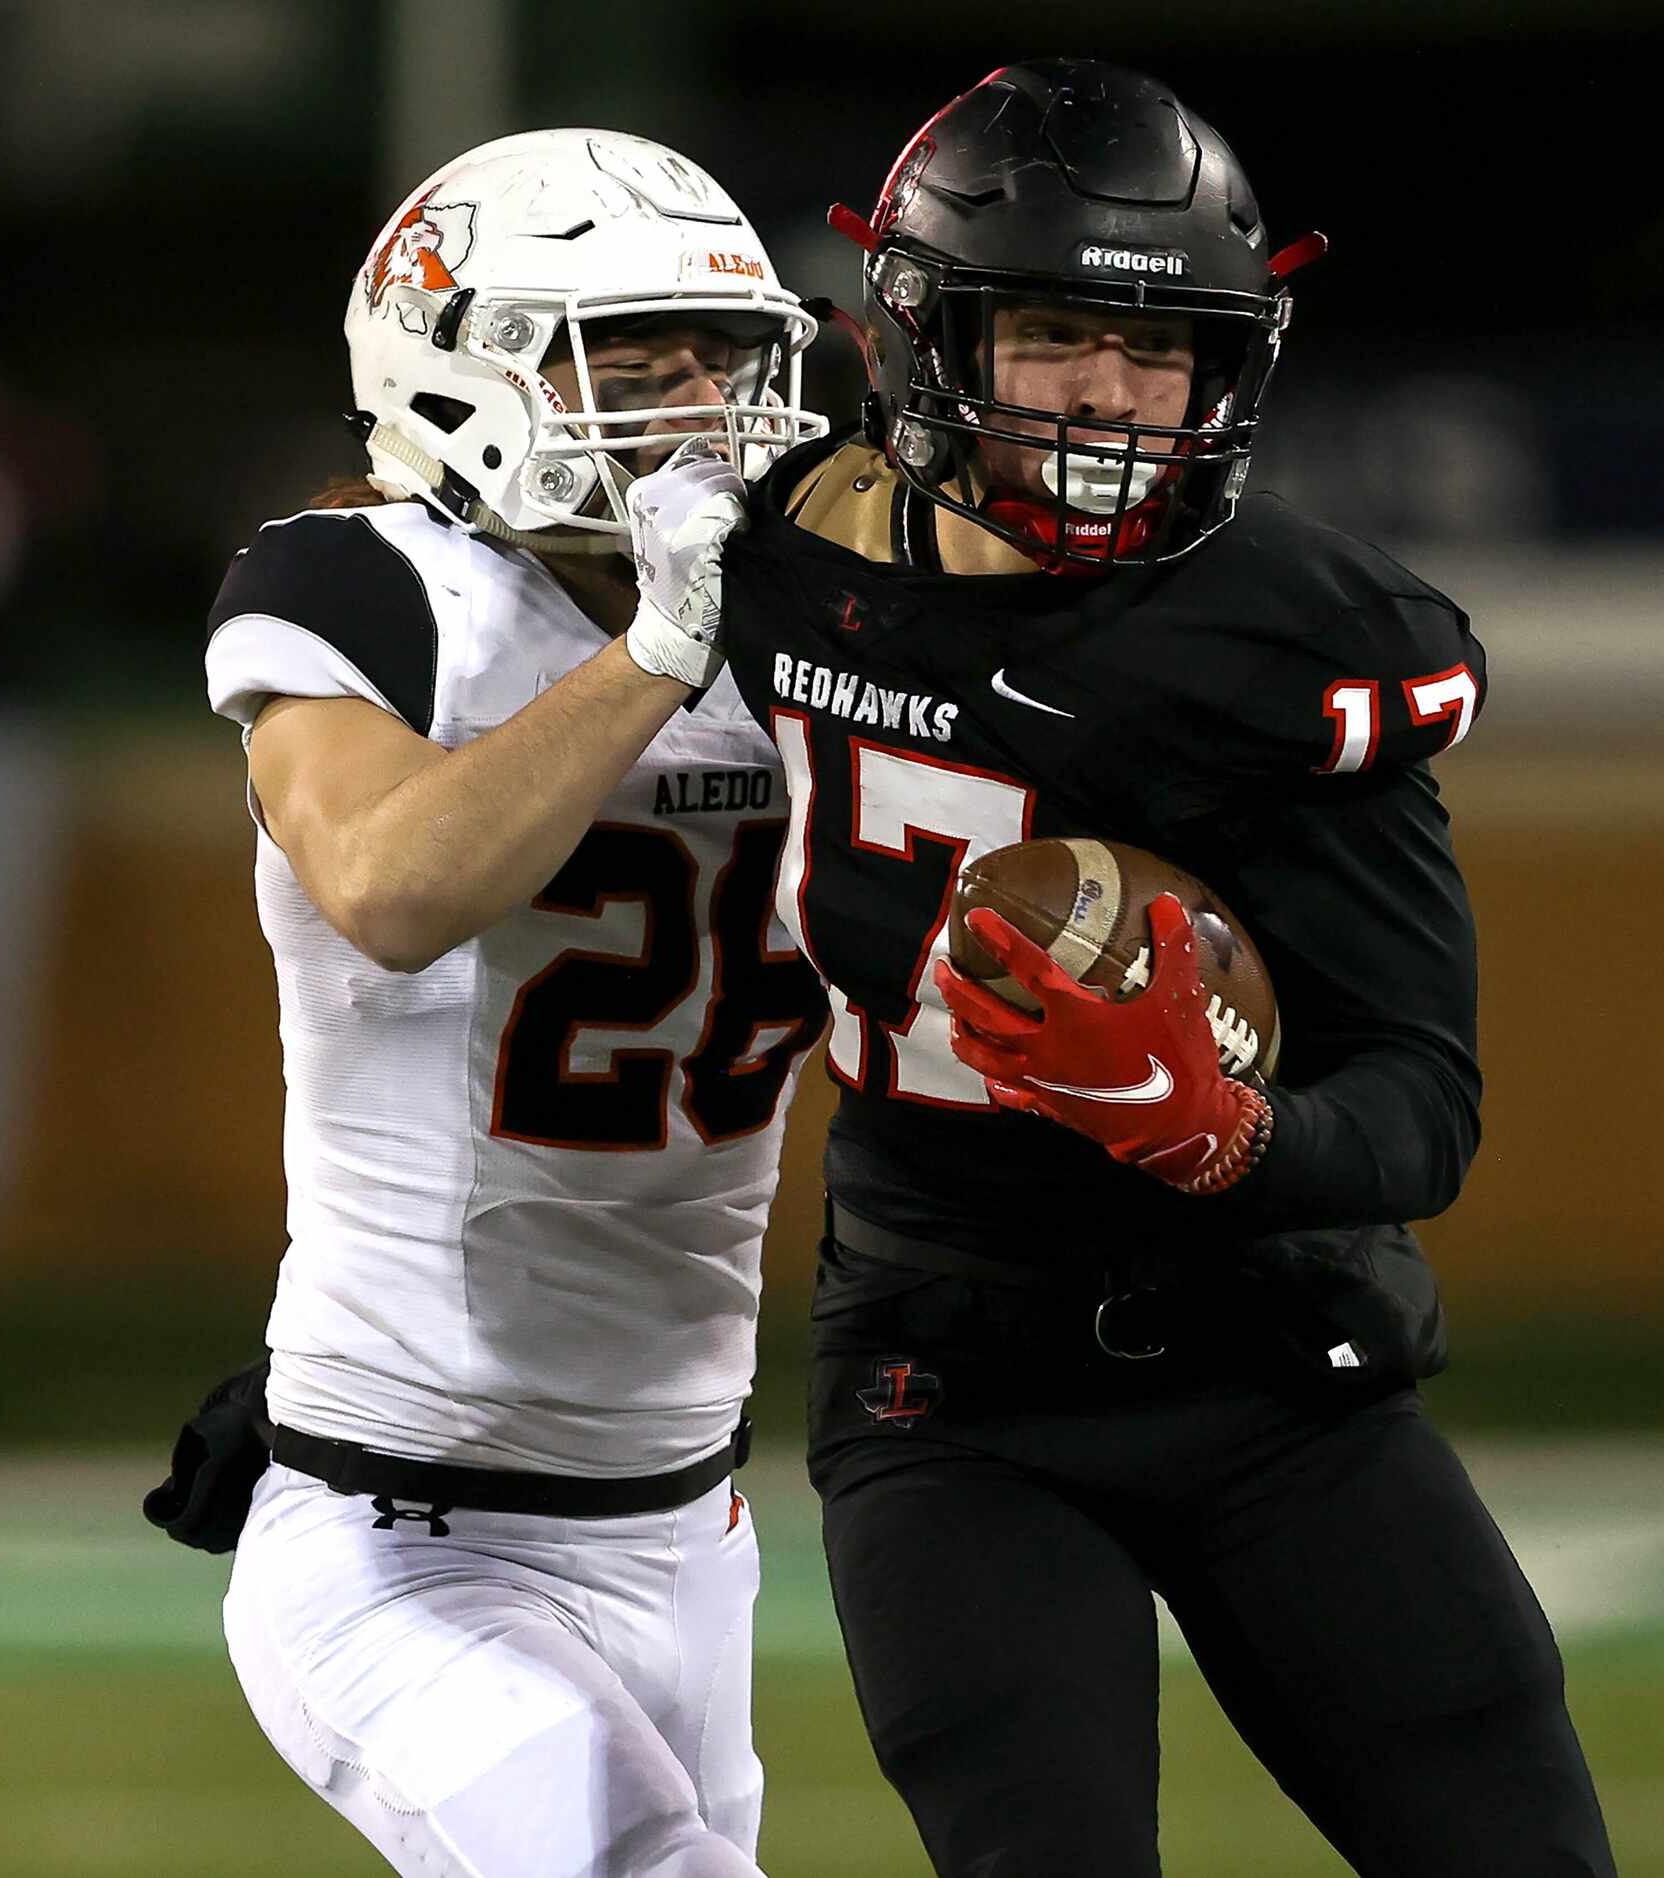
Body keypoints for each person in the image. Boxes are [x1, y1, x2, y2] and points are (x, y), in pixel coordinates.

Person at [624, 59, 1618, 1877]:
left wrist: (1230, 1132)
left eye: (1163, 354)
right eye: (1064, 333)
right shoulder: (756, 554)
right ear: (924, 337)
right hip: (945, 1368)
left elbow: (1424, 1096)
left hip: (1272, 1360)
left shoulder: (1289, 638)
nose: (1115, 400)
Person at [189, 129, 829, 1878]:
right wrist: (654, 656)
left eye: (725, 359)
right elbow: (392, 890)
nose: (698, 410)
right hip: (406, 1529)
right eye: (630, 359)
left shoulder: (807, 621)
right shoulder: (369, 589)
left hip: (692, 1522)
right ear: (456, 363)